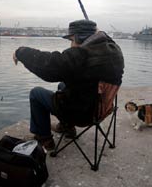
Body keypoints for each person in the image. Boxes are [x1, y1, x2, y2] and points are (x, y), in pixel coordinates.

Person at [12, 19, 124, 150]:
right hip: (102, 109)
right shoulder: (115, 51)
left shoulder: (81, 55)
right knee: (62, 85)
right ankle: (67, 128)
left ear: (79, 37)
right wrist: (96, 32)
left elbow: (49, 65)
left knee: (36, 93)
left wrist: (20, 52)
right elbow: (106, 40)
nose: (71, 45)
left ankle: (44, 139)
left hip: (82, 114)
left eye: (72, 40)